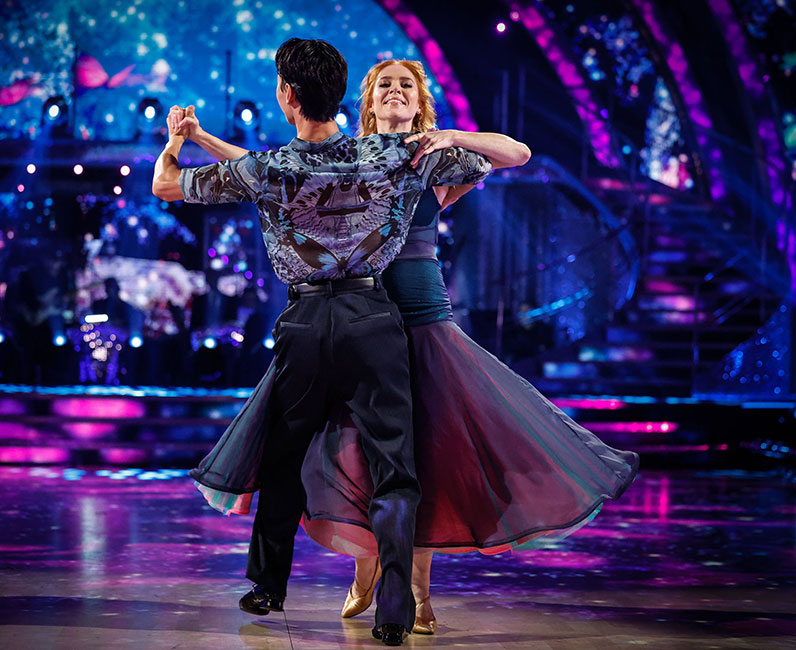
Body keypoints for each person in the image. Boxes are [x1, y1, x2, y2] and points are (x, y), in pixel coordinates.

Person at [183, 57, 640, 637]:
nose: (395, 92)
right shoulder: (349, 154)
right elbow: (266, 171)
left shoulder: (430, 158)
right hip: (357, 318)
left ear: (420, 102)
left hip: (419, 323)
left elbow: (517, 153)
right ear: (367, 103)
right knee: (351, 456)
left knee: (418, 460)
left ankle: (415, 592)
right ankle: (367, 567)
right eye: (384, 87)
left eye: (406, 85)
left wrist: (449, 134)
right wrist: (201, 138)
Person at [152, 38, 492, 646]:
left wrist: (180, 140)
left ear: (286, 95)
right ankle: (395, 611)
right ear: (344, 96)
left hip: (306, 324)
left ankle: (267, 586)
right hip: (375, 319)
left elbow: (167, 186)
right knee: (395, 468)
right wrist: (454, 139)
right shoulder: (387, 155)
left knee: (284, 455)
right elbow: (500, 159)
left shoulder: (268, 169)